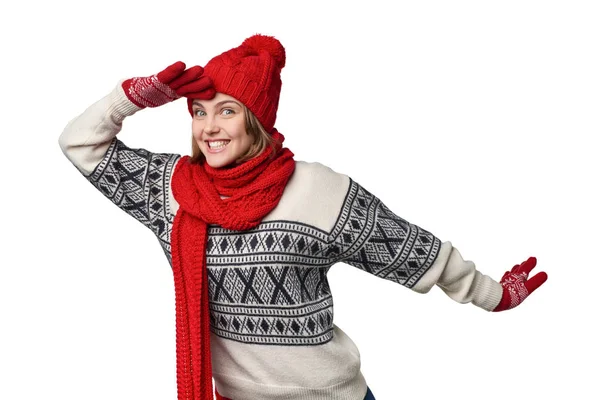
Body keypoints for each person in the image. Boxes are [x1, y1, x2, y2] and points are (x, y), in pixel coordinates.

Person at [58, 34, 548, 400]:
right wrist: (131, 99)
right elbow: (80, 144)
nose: (209, 127)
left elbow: (407, 248)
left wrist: (494, 294)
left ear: (256, 121)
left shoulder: (316, 189)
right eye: (199, 112)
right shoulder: (173, 192)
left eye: (227, 111)